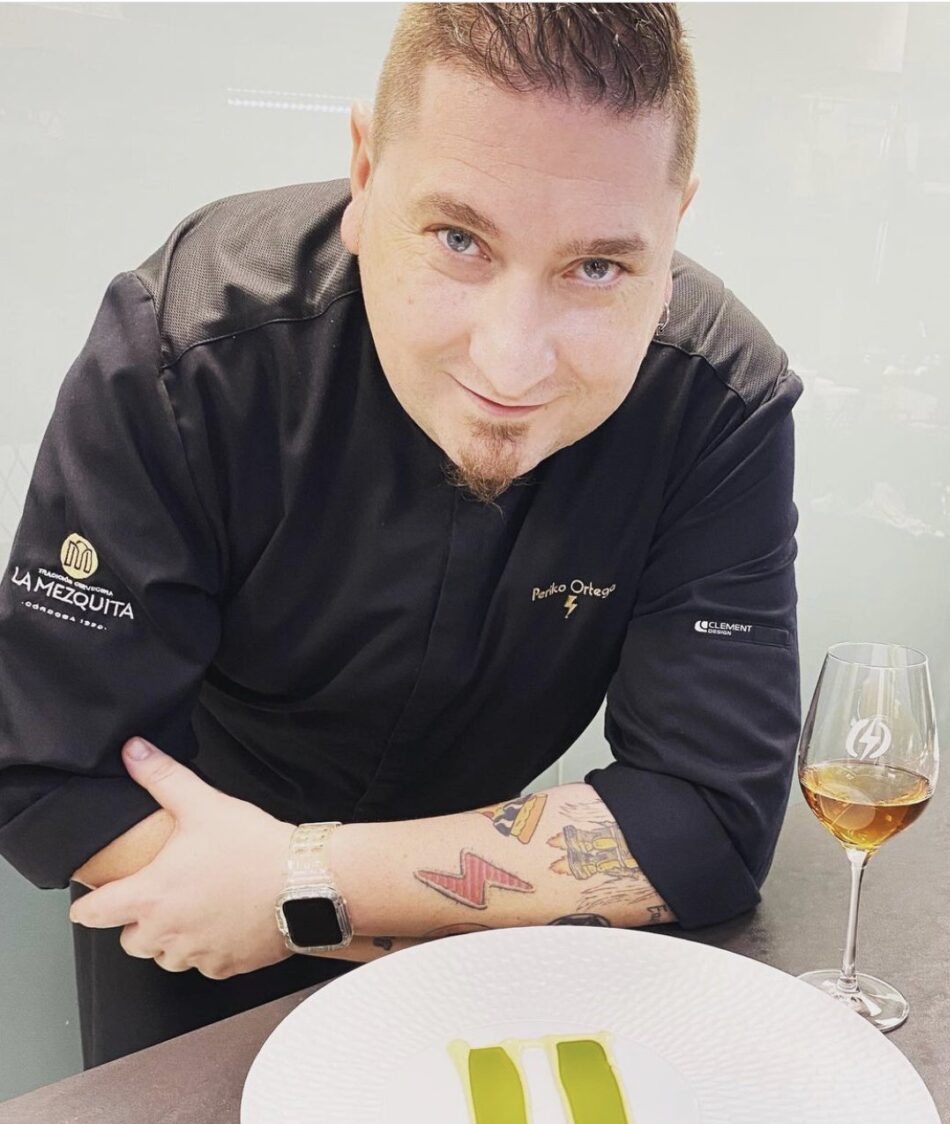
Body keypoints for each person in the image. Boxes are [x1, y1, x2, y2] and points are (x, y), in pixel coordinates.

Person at [0, 3, 803, 1069]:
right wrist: (255, 894)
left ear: (675, 221)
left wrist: (300, 887)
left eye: (597, 268)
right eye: (459, 240)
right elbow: (53, 770)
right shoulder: (188, 345)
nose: (511, 363)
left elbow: (708, 816)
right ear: (366, 172)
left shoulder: (719, 401)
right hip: (193, 908)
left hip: (466, 945)